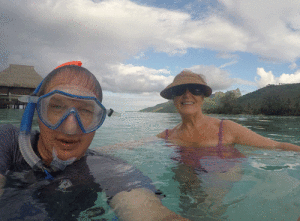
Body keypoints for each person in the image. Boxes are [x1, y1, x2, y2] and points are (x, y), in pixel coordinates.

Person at [0, 62, 189, 221]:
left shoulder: (110, 169)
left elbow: (147, 211)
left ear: (99, 120)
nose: (70, 127)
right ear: (37, 110)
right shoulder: (8, 141)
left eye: (86, 111)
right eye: (57, 106)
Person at [157, 70, 300, 152]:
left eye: (195, 90)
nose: (187, 95)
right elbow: (137, 145)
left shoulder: (225, 129)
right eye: (179, 90)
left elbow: (277, 145)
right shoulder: (167, 135)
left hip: (220, 180)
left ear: (203, 97)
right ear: (173, 98)